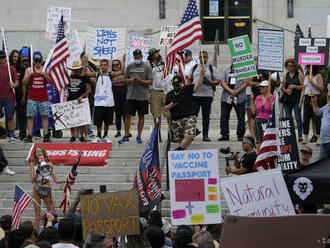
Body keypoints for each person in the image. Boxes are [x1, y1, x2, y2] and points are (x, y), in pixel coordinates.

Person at [84, 56, 125, 143]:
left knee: (107, 121)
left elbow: (121, 71)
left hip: (109, 102)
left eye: (105, 65)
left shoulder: (111, 74)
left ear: (108, 66)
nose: (103, 66)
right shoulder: (97, 74)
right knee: (98, 121)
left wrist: (124, 60)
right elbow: (85, 73)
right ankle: (98, 136)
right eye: (101, 65)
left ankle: (105, 136)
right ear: (99, 66)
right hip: (98, 102)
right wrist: (85, 63)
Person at [119, 49, 153, 144]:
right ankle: (126, 135)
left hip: (143, 96)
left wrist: (141, 81)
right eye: (135, 56)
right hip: (131, 95)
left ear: (141, 56)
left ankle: (139, 136)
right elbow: (124, 80)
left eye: (138, 56)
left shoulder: (147, 67)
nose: (137, 57)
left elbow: (150, 81)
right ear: (133, 57)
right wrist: (131, 80)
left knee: (141, 116)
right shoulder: (129, 66)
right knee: (127, 116)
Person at [187, 51, 221, 141]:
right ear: (199, 58)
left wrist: (209, 82)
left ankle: (205, 135)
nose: (203, 59)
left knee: (206, 116)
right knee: (193, 116)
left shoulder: (211, 68)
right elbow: (190, 79)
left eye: (205, 57)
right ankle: (192, 133)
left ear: (207, 58)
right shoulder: (194, 68)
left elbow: (218, 81)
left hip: (207, 95)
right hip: (195, 95)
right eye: (201, 57)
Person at [30, 145, 65, 231]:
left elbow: (56, 179)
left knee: (53, 212)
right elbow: (32, 179)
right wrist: (38, 169)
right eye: (37, 152)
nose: (39, 153)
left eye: (40, 151)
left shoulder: (49, 164)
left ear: (44, 153)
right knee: (37, 215)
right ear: (35, 154)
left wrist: (66, 180)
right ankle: (35, 235)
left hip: (46, 188)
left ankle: (56, 232)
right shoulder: (33, 164)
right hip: (36, 188)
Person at [165, 73, 203, 150]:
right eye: (174, 85)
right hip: (176, 120)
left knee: (190, 136)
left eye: (177, 85)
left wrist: (202, 74)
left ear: (181, 83)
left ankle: (177, 151)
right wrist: (172, 104)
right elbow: (165, 108)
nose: (176, 87)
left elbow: (198, 84)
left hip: (188, 116)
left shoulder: (187, 89)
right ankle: (182, 154)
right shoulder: (170, 94)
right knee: (181, 140)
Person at [22, 51, 52, 143]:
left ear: (42, 61)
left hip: (43, 97)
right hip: (32, 97)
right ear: (33, 61)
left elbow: (51, 82)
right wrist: (30, 75)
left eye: (39, 61)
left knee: (44, 116)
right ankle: (30, 135)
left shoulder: (46, 69)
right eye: (36, 61)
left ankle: (46, 135)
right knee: (30, 116)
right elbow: (24, 83)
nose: (38, 63)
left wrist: (45, 76)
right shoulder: (29, 70)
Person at [219, 63, 248, 141]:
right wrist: (230, 91)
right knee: (224, 116)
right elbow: (222, 82)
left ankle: (240, 135)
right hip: (226, 96)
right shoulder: (226, 70)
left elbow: (246, 83)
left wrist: (236, 92)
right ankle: (224, 134)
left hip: (240, 97)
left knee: (241, 117)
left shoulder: (243, 70)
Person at [148, 48, 170, 142]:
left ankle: (170, 133)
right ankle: (158, 134)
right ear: (152, 55)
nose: (158, 54)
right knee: (156, 114)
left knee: (168, 114)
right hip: (154, 91)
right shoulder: (148, 65)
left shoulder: (165, 63)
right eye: (155, 53)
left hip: (165, 90)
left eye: (158, 52)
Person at [67, 61, 91, 142]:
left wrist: (82, 96)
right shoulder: (69, 77)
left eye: (78, 69)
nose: (76, 71)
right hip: (70, 100)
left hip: (80, 101)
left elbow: (89, 90)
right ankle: (73, 135)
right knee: (71, 119)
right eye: (75, 69)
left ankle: (81, 136)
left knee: (81, 120)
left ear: (80, 69)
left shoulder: (85, 78)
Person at [281, 58, 304, 142]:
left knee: (298, 118)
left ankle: (300, 135)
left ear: (295, 66)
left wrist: (294, 86)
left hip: (296, 99)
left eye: (291, 66)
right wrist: (285, 90)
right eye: (288, 66)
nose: (290, 67)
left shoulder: (299, 75)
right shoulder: (285, 75)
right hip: (288, 100)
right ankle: (289, 135)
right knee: (288, 118)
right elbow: (283, 86)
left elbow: (303, 87)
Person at [301, 65, 323, 145]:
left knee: (316, 117)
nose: (307, 68)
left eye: (308, 67)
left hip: (315, 96)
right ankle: (305, 136)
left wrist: (313, 83)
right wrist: (301, 100)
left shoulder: (318, 76)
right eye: (306, 67)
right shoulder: (306, 76)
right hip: (307, 97)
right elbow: (303, 89)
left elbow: (321, 88)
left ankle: (318, 137)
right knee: (306, 117)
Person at [0, 50, 19, 141]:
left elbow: (17, 81)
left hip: (9, 96)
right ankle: (2, 133)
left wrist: (14, 85)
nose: (2, 59)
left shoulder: (11, 68)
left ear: (6, 58)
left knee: (10, 116)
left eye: (3, 57)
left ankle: (11, 133)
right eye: (0, 58)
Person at [251, 80, 276, 147]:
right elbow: (254, 112)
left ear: (268, 88)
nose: (261, 88)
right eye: (260, 87)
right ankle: (259, 142)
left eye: (263, 87)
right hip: (258, 120)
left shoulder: (273, 97)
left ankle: (261, 142)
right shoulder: (258, 98)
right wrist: (252, 101)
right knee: (257, 120)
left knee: (258, 121)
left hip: (268, 119)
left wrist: (270, 100)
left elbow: (273, 110)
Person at [80, 52, 96, 138]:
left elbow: (95, 79)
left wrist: (90, 78)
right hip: (78, 94)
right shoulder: (77, 68)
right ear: (81, 58)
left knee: (88, 114)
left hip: (88, 94)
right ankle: (81, 132)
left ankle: (89, 131)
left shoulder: (90, 68)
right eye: (84, 57)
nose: (85, 59)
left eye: (87, 57)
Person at [111, 59, 128, 138]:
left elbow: (123, 71)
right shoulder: (111, 74)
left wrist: (124, 60)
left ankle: (127, 132)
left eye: (117, 64)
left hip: (125, 97)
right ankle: (118, 131)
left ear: (120, 65)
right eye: (113, 65)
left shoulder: (125, 73)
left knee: (125, 115)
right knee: (117, 115)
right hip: (115, 98)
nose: (115, 66)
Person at [312, 91, 330, 160]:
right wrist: (314, 103)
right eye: (328, 96)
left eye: (329, 97)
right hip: (324, 142)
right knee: (320, 164)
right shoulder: (326, 107)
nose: (328, 98)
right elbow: (317, 112)